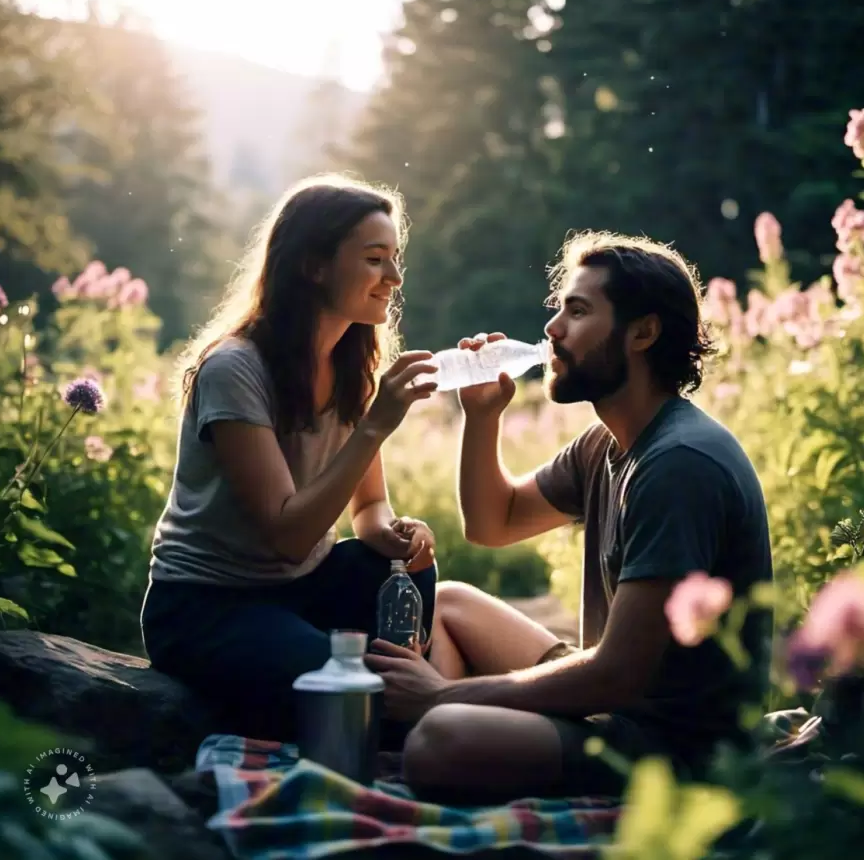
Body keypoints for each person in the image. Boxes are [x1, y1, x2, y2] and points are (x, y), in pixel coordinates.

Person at [366, 230, 774, 802]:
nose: (553, 330)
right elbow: (493, 522)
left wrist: (442, 697)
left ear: (643, 332)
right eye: (559, 309)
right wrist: (482, 417)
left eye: (577, 312)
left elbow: (616, 675)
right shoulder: (604, 445)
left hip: (671, 748)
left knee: (439, 738)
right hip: (612, 703)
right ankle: (468, 732)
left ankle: (451, 731)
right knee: (452, 602)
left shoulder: (678, 465)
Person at [140, 174, 443, 742]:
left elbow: (369, 504)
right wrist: (376, 425)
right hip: (209, 606)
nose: (394, 279)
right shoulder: (235, 368)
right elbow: (287, 535)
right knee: (352, 695)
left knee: (398, 572)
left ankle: (397, 704)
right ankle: (374, 715)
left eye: (395, 259)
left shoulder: (352, 363)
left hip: (299, 591)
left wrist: (395, 533)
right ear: (314, 266)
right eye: (375, 259)